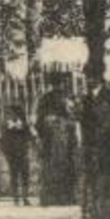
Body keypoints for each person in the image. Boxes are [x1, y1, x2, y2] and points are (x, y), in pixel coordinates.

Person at [80, 74, 110, 219]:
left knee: (108, 180)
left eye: (90, 77)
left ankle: (109, 212)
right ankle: (96, 212)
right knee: (93, 180)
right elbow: (83, 123)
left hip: (107, 147)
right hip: (91, 146)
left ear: (99, 79)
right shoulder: (86, 99)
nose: (87, 80)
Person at [34, 72, 78, 206]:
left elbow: (39, 121)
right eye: (59, 83)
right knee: (59, 167)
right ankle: (63, 197)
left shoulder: (47, 98)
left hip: (57, 139)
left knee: (55, 168)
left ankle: (57, 197)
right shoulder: (57, 98)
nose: (60, 86)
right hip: (55, 139)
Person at [0, 100, 35, 205]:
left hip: (21, 152)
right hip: (14, 153)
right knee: (17, 174)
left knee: (22, 174)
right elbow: (2, 140)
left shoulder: (22, 124)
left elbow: (29, 135)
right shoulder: (6, 125)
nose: (14, 115)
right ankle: (18, 197)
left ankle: (23, 197)